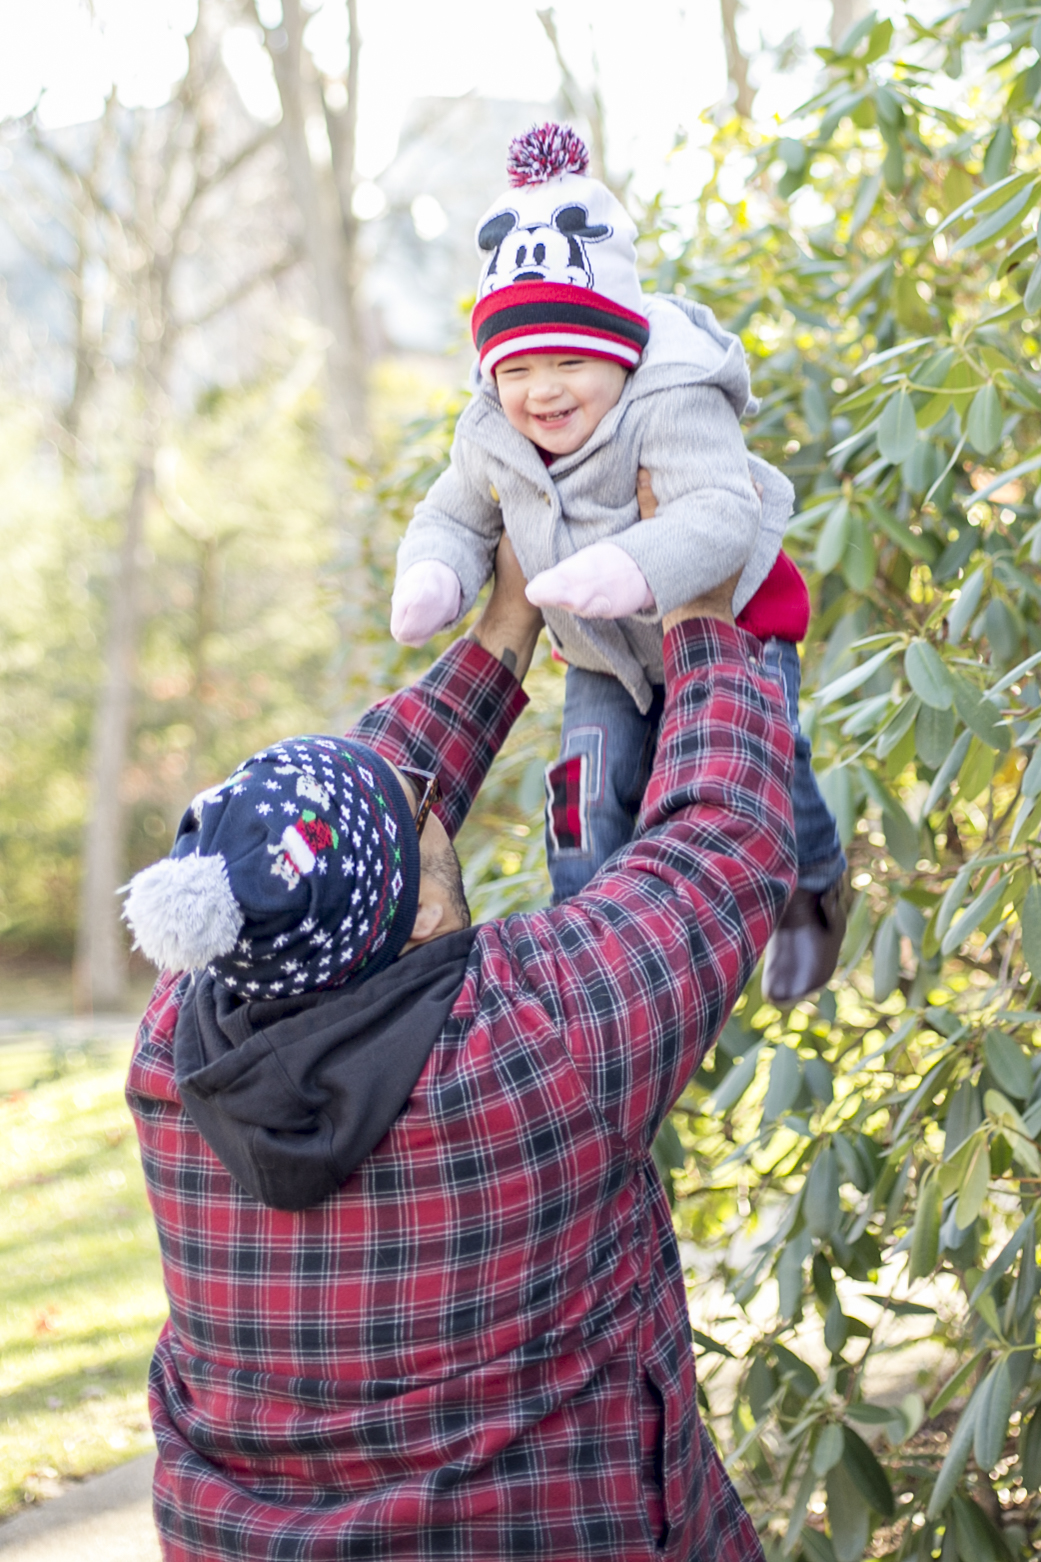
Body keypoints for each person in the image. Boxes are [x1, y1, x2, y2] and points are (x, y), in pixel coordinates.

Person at [122, 532, 796, 1561]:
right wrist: (700, 606)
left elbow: (316, 841)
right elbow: (721, 840)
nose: (431, 799)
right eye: (427, 819)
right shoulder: (536, 1037)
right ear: (425, 915)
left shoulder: (177, 1050)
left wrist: (504, 628)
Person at [390, 123, 845, 1002]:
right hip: (597, 652)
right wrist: (436, 574)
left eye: (570, 361)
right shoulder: (491, 429)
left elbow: (720, 513)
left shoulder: (674, 396)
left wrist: (633, 568)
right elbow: (453, 511)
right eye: (517, 368)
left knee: (766, 759)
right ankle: (589, 953)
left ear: (622, 351)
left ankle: (813, 888)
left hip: (735, 624)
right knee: (585, 799)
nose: (544, 390)